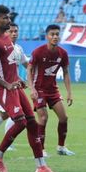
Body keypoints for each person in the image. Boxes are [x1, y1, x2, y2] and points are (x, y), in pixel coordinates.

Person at [0, 5, 58, 172]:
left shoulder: (7, 39)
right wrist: (6, 84)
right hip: (3, 89)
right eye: (4, 18)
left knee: (32, 123)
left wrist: (18, 80)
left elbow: (9, 64)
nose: (8, 21)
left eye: (8, 17)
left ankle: (41, 167)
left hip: (14, 87)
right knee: (20, 122)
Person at [27, 25, 75, 157]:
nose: (55, 37)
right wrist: (31, 89)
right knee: (43, 118)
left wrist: (69, 92)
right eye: (52, 34)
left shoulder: (62, 53)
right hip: (39, 90)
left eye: (57, 34)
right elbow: (29, 70)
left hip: (53, 90)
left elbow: (65, 73)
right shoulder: (38, 52)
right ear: (46, 36)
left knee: (64, 118)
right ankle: (41, 150)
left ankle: (61, 147)